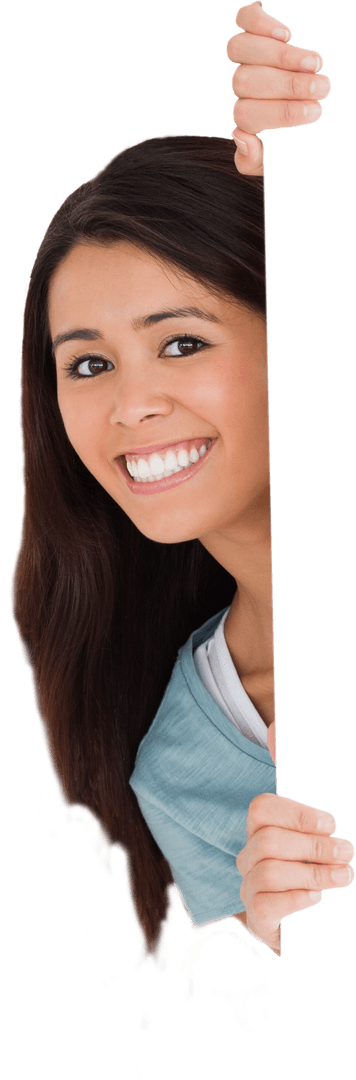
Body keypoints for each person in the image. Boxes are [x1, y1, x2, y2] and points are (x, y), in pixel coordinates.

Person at [10, 3, 353, 968]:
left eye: (182, 342)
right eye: (87, 365)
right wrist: (303, 953)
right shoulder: (183, 770)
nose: (130, 406)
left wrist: (325, 139)